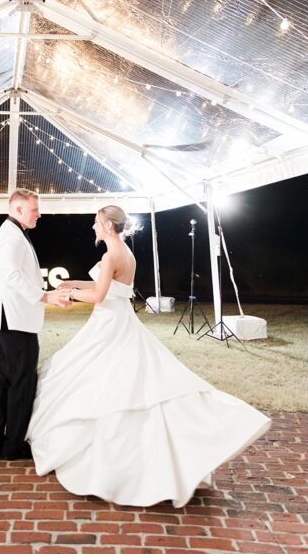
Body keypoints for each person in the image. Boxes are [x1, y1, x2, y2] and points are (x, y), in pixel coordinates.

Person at [26, 205, 272, 507]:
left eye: (95, 223)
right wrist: (74, 283)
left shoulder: (109, 255)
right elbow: (111, 288)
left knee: (98, 378)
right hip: (119, 319)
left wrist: (67, 295)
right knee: (121, 376)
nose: (92, 227)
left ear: (106, 225)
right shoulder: (124, 253)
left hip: (109, 324)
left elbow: (100, 296)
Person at [0, 189, 70, 461]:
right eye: (34, 210)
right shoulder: (10, 238)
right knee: (22, 382)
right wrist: (46, 296)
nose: (39, 214)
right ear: (18, 210)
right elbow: (12, 276)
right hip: (14, 319)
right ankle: (12, 446)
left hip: (8, 319)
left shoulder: (11, 233)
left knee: (7, 379)